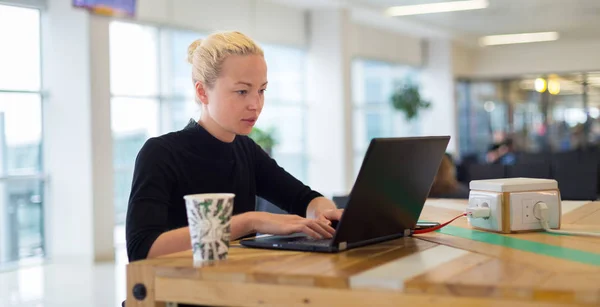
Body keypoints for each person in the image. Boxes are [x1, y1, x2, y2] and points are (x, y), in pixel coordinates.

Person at [125, 31, 343, 263]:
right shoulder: (161, 153)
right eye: (242, 91)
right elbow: (142, 250)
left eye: (261, 90)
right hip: (176, 292)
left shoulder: (246, 150)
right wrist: (250, 221)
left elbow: (305, 199)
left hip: (231, 287)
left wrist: (324, 215)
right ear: (202, 92)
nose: (255, 104)